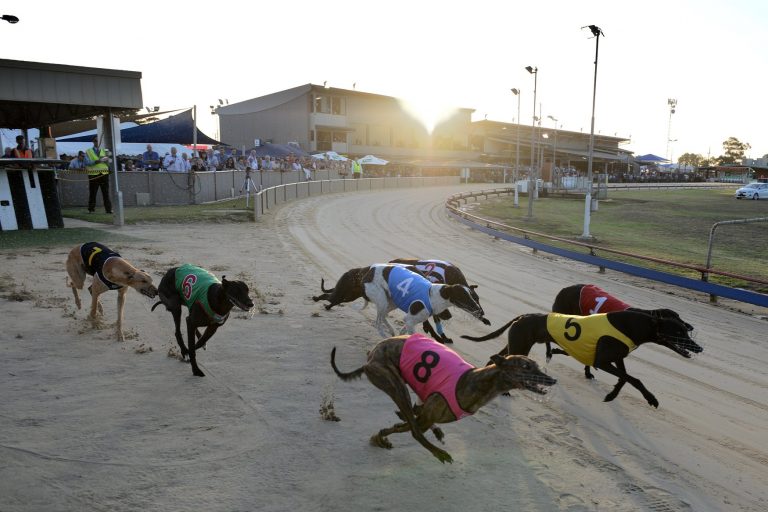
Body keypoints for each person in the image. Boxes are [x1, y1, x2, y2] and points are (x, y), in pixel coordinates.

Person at [84, 136, 112, 214]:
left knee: (106, 193)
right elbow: (86, 163)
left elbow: (110, 161)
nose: (97, 142)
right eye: (96, 141)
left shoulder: (105, 150)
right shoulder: (88, 151)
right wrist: (96, 161)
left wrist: (108, 160)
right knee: (93, 193)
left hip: (104, 174)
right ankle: (91, 209)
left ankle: (108, 210)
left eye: (99, 141)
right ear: (93, 142)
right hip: (93, 174)